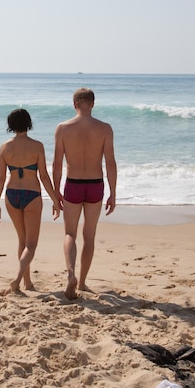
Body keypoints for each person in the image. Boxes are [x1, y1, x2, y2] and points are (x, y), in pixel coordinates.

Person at [53, 87, 117, 300]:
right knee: (89, 235)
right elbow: (110, 163)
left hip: (73, 184)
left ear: (74, 104)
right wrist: (113, 192)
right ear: (92, 103)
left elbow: (56, 164)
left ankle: (70, 273)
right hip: (96, 184)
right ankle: (81, 282)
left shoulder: (63, 128)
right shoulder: (105, 128)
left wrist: (55, 192)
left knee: (69, 233)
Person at [0, 108, 60, 294]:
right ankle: (18, 279)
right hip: (31, 195)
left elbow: (0, 178)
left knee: (22, 240)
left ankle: (27, 283)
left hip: (11, 195)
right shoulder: (37, 146)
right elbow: (44, 176)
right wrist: (55, 199)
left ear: (10, 125)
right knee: (31, 244)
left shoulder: (5, 147)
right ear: (28, 123)